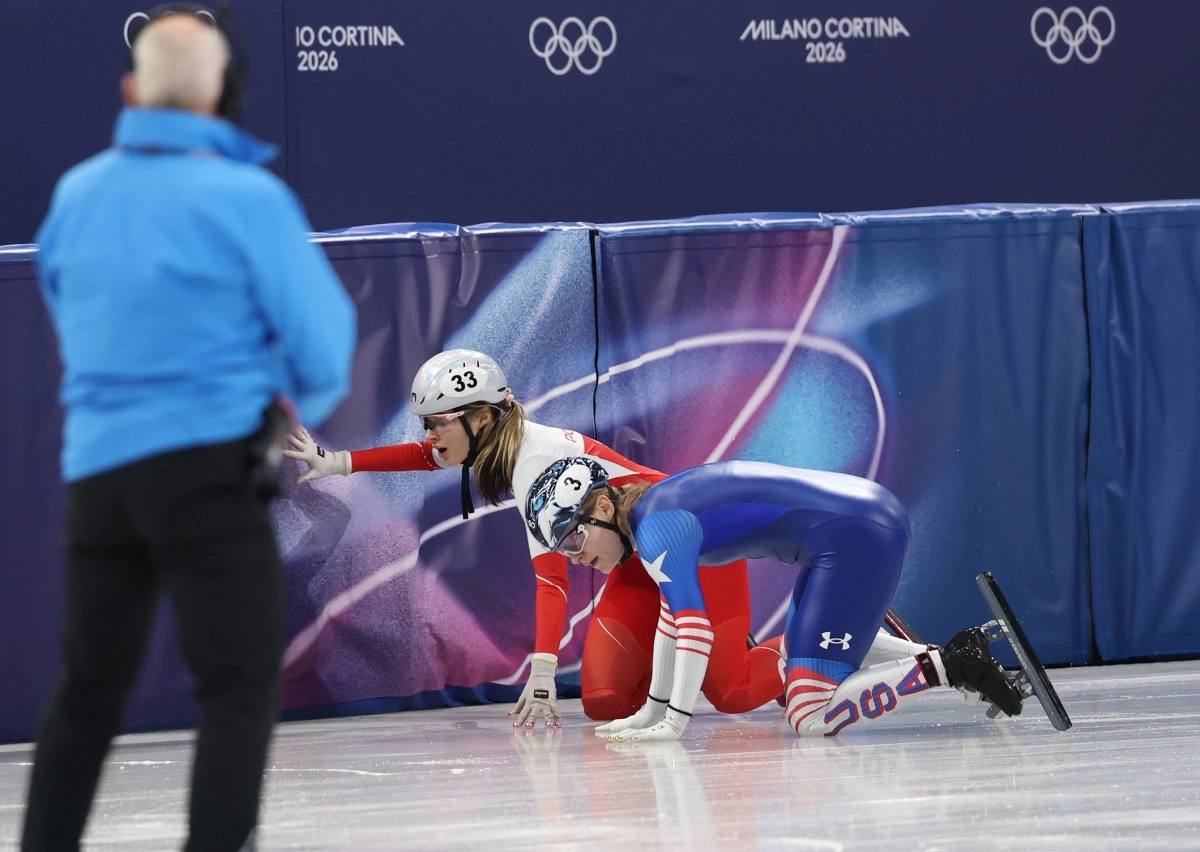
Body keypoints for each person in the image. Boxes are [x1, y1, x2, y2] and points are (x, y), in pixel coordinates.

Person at [21, 7, 356, 851]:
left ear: (133, 91)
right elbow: (323, 351)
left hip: (100, 482)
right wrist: (272, 394)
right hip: (209, 477)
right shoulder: (250, 199)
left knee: (86, 692)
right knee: (236, 689)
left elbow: (65, 307)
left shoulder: (76, 193)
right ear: (221, 97)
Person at [283, 349, 790, 726]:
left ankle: (821, 646)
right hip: (635, 563)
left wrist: (543, 673)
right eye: (426, 424)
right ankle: (711, 646)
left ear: (481, 418)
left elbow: (553, 586)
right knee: (607, 701)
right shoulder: (496, 438)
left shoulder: (535, 467)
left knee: (733, 692)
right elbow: (427, 455)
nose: (430, 436)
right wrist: (339, 463)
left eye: (438, 424)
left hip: (690, 545)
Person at [523, 457, 1026, 740]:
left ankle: (954, 666)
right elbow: (670, 624)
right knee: (801, 650)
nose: (572, 557)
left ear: (605, 507)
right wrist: (650, 712)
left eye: (572, 539)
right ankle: (958, 660)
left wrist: (673, 724)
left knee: (808, 712)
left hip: (854, 536)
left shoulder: (656, 527)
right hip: (848, 529)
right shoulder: (651, 516)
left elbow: (696, 631)